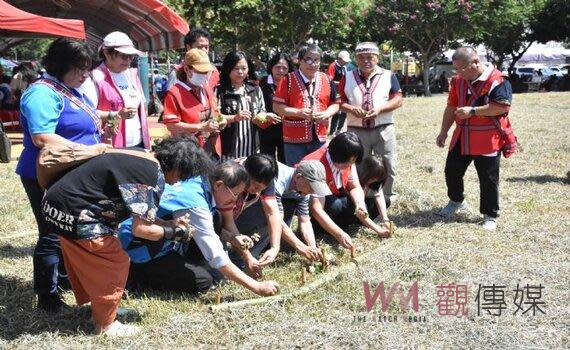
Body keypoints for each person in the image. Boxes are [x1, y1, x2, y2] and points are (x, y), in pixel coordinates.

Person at [41, 136, 211, 336]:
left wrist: (166, 224)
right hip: (75, 213)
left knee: (89, 264)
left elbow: (138, 211)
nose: (178, 182)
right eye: (183, 175)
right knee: (114, 260)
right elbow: (142, 230)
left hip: (57, 206)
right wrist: (175, 233)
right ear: (178, 167)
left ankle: (101, 311)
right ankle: (105, 325)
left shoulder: (142, 156)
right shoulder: (151, 175)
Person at [16, 38, 104, 313]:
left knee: (68, 231)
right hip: (45, 174)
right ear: (61, 65)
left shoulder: (66, 89)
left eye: (88, 68)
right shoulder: (41, 93)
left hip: (68, 174)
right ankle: (48, 298)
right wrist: (90, 149)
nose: (85, 74)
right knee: (52, 233)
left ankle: (65, 284)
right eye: (80, 68)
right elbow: (42, 137)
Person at [119, 154, 280, 297]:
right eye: (235, 194)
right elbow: (216, 256)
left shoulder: (200, 180)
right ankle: (134, 276)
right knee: (202, 281)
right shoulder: (195, 205)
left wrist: (232, 238)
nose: (235, 200)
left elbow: (204, 228)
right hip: (138, 247)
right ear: (219, 185)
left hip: (159, 240)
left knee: (215, 218)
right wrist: (257, 287)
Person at [436, 46, 515, 231]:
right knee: (452, 171)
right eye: (455, 69)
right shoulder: (457, 81)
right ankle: (456, 201)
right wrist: (443, 132)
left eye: (461, 68)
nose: (458, 73)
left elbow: (502, 107)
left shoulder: (497, 80)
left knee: (488, 178)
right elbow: (451, 108)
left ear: (476, 62)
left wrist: (472, 111)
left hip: (487, 138)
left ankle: (490, 215)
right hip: (462, 135)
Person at [339, 42, 403, 206]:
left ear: (377, 57)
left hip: (383, 126)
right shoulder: (347, 76)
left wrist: (381, 108)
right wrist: (352, 108)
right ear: (356, 58)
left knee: (388, 162)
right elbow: (339, 102)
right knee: (359, 165)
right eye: (361, 57)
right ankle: (362, 197)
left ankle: (387, 196)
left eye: (370, 57)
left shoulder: (388, 75)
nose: (366, 60)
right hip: (357, 130)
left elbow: (398, 100)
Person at [302, 132, 390, 251]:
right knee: (336, 205)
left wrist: (360, 205)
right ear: (338, 156)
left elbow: (354, 186)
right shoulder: (317, 166)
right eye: (349, 162)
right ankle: (320, 228)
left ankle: (339, 224)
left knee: (355, 204)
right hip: (315, 204)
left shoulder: (348, 161)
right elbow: (316, 209)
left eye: (353, 161)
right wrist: (339, 234)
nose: (351, 165)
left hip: (336, 197)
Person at [234, 158, 330, 264]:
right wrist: (300, 247)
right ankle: (244, 256)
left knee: (289, 204)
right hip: (239, 210)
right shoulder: (277, 181)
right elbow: (274, 217)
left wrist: (312, 248)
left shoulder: (303, 192)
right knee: (267, 213)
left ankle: (267, 245)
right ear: (298, 177)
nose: (312, 192)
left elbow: (305, 221)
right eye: (311, 187)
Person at [273, 44, 340, 166]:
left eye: (316, 60)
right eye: (308, 59)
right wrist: (298, 112)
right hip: (294, 139)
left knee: (318, 174)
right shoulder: (287, 80)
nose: (312, 64)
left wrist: (326, 113)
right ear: (300, 61)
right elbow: (277, 107)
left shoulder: (327, 79)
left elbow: (335, 104)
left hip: (320, 137)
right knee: (295, 174)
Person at [91, 31, 151, 149]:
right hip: (111, 145)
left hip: (138, 142)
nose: (128, 60)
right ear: (107, 53)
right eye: (124, 56)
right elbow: (88, 112)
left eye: (131, 56)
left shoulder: (132, 75)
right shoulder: (96, 77)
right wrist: (115, 115)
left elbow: (142, 106)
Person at [162, 48, 222, 159]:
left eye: (206, 72)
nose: (204, 75)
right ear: (187, 69)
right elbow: (171, 125)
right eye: (200, 72)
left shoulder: (206, 88)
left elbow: (216, 114)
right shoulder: (174, 93)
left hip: (210, 151)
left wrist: (222, 121)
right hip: (189, 154)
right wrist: (200, 127)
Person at [217, 51, 276, 159]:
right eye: (236, 68)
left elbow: (261, 112)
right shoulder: (219, 91)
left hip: (252, 149)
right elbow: (215, 117)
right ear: (228, 68)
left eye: (244, 68)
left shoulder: (255, 89)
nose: (240, 72)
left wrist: (265, 117)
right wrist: (234, 118)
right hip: (228, 150)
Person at [258, 53, 292, 163]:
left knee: (285, 161)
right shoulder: (261, 83)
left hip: (286, 129)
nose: (281, 70)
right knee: (266, 162)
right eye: (277, 67)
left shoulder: (292, 84)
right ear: (271, 67)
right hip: (266, 129)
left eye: (284, 68)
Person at [356, 155, 391, 228]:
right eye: (372, 178)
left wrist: (385, 219)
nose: (374, 180)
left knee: (386, 200)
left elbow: (379, 196)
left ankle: (366, 222)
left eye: (377, 179)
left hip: (364, 205)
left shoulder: (375, 182)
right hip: (354, 205)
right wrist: (377, 229)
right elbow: (360, 205)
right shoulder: (355, 176)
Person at [327, 50, 351, 135]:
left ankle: (339, 130)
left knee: (344, 111)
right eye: (345, 61)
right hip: (335, 91)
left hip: (343, 92)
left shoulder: (344, 67)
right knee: (337, 112)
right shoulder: (333, 66)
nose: (346, 63)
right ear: (340, 59)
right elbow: (330, 80)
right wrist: (341, 83)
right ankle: (332, 132)